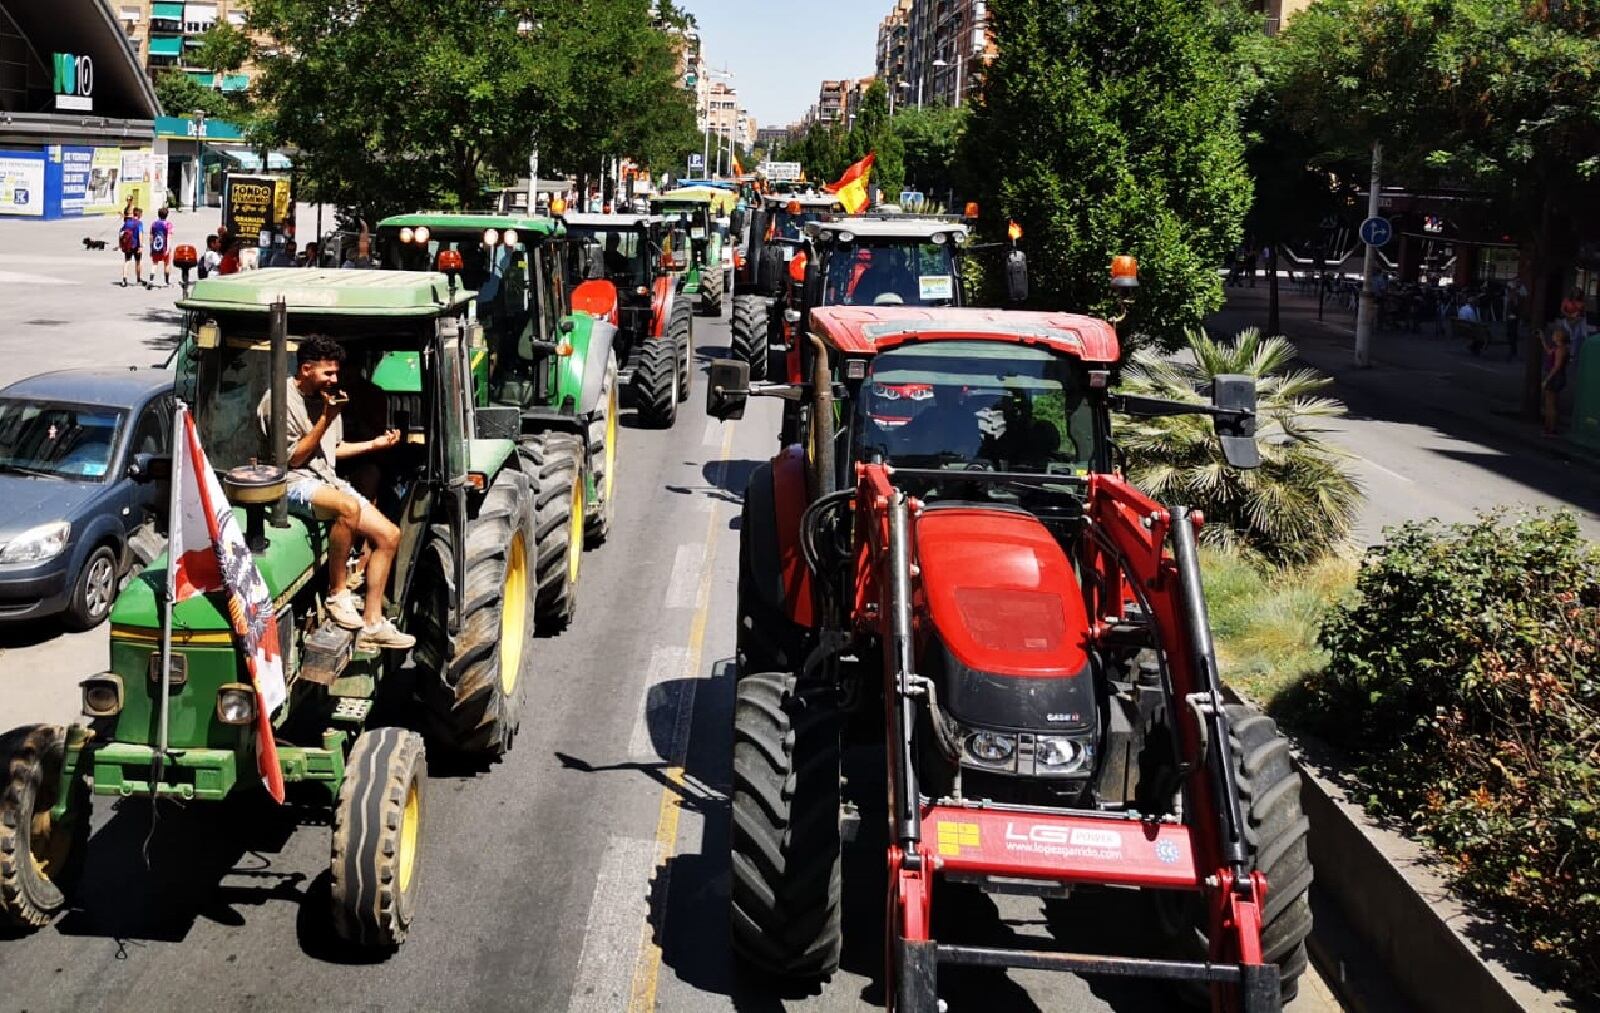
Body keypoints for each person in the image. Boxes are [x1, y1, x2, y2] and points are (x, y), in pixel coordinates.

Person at [257, 336, 413, 650]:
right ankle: (337, 593)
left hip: (324, 479)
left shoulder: (328, 398)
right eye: (328, 373)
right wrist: (327, 417)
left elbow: (334, 450)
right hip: (288, 481)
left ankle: (372, 622)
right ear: (305, 369)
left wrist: (374, 445)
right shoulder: (280, 400)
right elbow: (294, 459)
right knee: (348, 509)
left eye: (336, 372)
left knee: (390, 535)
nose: (335, 379)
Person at [1541, 323, 1572, 437]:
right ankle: (1548, 426)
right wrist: (1542, 339)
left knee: (1551, 404)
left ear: (1559, 337)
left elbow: (1557, 366)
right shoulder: (1558, 348)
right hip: (1556, 377)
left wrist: (1547, 379)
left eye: (1554, 335)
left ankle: (1551, 428)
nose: (1553, 336)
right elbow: (1549, 351)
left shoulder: (1560, 350)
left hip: (1556, 377)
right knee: (1549, 403)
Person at [118, 207, 145, 288]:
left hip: (127, 245)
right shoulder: (139, 223)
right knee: (138, 261)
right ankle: (139, 279)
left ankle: (124, 280)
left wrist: (120, 244)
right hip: (136, 245)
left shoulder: (127, 222)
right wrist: (140, 246)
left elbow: (121, 233)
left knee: (126, 262)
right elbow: (140, 234)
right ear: (140, 214)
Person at [148, 207, 174, 288]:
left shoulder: (153, 224)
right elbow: (169, 237)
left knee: (154, 264)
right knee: (166, 264)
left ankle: (151, 280)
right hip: (165, 247)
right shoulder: (168, 224)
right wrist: (168, 247)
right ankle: (166, 282)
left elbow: (151, 237)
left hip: (156, 246)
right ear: (167, 215)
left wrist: (151, 248)